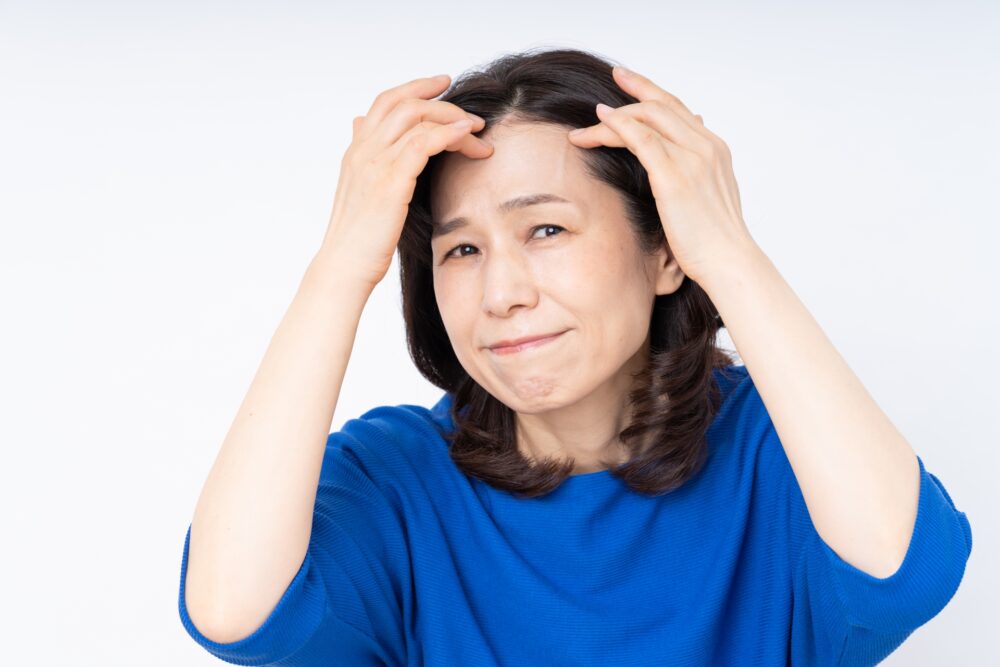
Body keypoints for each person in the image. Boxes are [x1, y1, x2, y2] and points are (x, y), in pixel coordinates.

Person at [177, 48, 973, 665]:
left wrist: (728, 250)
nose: (501, 293)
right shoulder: (398, 478)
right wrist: (342, 263)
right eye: (461, 249)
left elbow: (904, 567)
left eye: (547, 229)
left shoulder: (779, 449)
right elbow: (232, 610)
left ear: (666, 251)